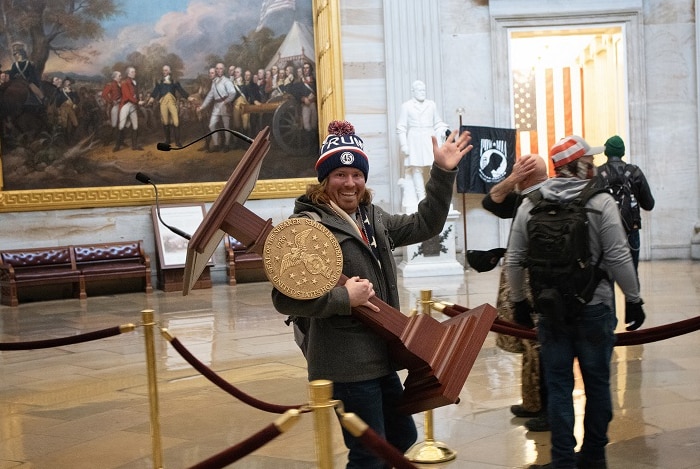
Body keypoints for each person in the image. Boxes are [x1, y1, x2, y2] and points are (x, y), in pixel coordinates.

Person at [271, 120, 472, 469]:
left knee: (400, 438)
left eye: (356, 175)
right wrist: (341, 299)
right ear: (325, 179)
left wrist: (441, 172)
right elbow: (283, 299)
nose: (349, 183)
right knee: (369, 453)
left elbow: (427, 224)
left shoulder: (372, 218)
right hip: (345, 362)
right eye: (340, 174)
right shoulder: (309, 227)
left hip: (381, 354)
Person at [506, 135, 646, 469]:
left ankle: (563, 460)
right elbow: (618, 256)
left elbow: (513, 259)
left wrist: (519, 302)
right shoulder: (600, 203)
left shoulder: (531, 203)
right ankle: (595, 456)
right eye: (591, 161)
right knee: (597, 384)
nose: (595, 166)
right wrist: (635, 299)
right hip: (594, 309)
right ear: (581, 165)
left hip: (550, 311)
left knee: (558, 387)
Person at [482, 154, 550, 432]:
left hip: (537, 284)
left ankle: (548, 409)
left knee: (539, 346)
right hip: (524, 281)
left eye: (517, 171)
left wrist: (514, 179)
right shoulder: (524, 197)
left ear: (526, 177)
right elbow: (491, 200)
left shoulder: (543, 198)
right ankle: (533, 402)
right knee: (529, 345)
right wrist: (514, 179)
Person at [596, 135, 655, 273]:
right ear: (622, 152)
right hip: (631, 230)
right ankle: (632, 295)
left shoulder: (598, 173)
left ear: (606, 152)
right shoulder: (635, 172)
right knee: (632, 278)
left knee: (605, 280)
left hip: (606, 232)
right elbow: (649, 204)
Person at [396, 80, 448, 209]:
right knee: (416, 169)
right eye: (419, 90)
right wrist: (404, 145)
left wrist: (442, 129)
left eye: (424, 90)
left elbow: (437, 122)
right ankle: (421, 197)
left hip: (429, 137)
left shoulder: (431, 105)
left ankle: (433, 195)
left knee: (433, 166)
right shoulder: (406, 106)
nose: (422, 93)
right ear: (413, 92)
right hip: (414, 138)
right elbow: (401, 127)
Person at [148, 65, 190, 148]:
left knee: (176, 121)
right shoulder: (159, 82)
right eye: (163, 70)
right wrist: (151, 99)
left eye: (166, 70)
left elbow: (181, 90)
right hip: (163, 102)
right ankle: (168, 140)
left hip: (172, 102)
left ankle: (178, 141)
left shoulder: (174, 82)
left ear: (169, 71)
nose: (165, 72)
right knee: (165, 121)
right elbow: (155, 91)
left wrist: (188, 97)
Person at [197, 62, 236, 152]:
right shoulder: (214, 82)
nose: (219, 70)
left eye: (221, 68)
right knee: (212, 125)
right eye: (217, 68)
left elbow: (233, 93)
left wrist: (226, 102)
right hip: (217, 106)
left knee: (226, 126)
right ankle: (216, 145)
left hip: (225, 105)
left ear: (224, 70)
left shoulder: (227, 81)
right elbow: (210, 96)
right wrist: (202, 107)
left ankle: (226, 145)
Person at [115, 66, 144, 152]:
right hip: (126, 105)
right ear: (128, 73)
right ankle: (117, 146)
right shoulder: (124, 82)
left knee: (135, 125)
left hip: (133, 105)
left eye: (134, 72)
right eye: (132, 72)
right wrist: (137, 101)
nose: (134, 73)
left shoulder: (135, 82)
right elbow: (127, 95)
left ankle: (134, 146)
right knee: (121, 125)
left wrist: (138, 102)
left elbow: (136, 94)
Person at [54, 77, 79, 144]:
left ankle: (72, 136)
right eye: (66, 83)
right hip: (63, 108)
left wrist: (75, 104)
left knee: (75, 124)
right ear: (64, 84)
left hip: (71, 108)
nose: (68, 84)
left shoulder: (73, 91)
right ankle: (66, 140)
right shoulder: (61, 92)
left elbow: (77, 99)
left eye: (69, 83)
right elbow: (57, 101)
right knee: (64, 125)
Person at [102, 71, 122, 145]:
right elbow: (104, 94)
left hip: (122, 105)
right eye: (119, 76)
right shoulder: (110, 85)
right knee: (114, 124)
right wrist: (111, 101)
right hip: (115, 106)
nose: (121, 77)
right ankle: (108, 141)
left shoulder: (121, 84)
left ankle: (121, 141)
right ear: (115, 77)